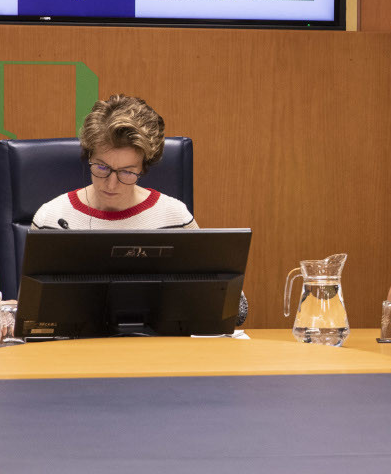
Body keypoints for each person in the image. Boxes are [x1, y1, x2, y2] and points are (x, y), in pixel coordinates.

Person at [30, 94, 248, 326]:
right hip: (72, 354)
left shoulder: (174, 217)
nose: (111, 184)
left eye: (127, 172)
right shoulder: (52, 217)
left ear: (145, 166)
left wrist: (227, 297)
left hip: (156, 353)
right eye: (102, 167)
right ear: (89, 156)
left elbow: (229, 307)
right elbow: (30, 311)